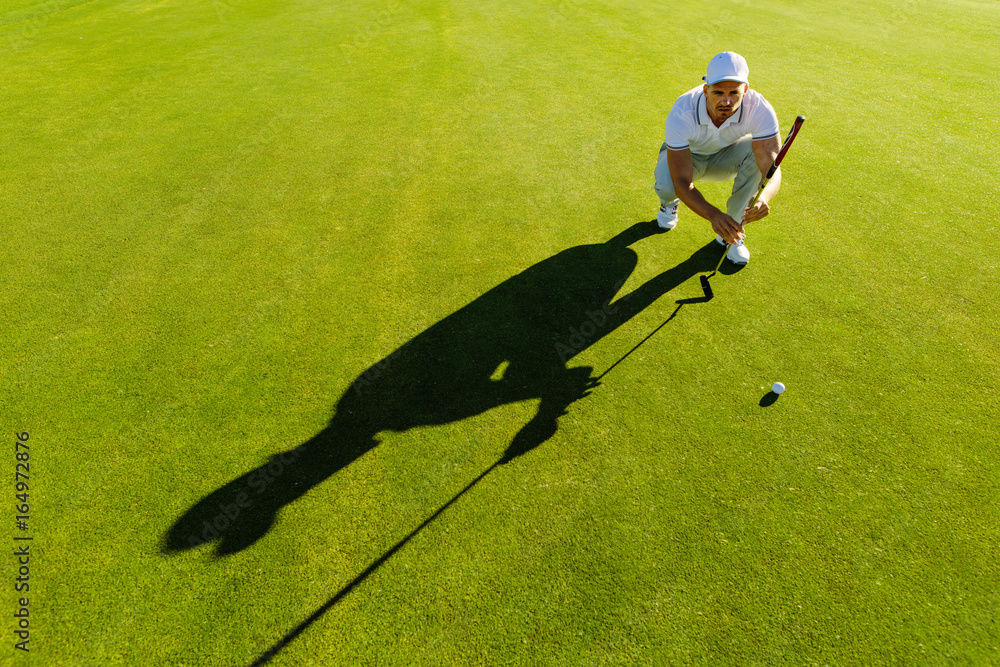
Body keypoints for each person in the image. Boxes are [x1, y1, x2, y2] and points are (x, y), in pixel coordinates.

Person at [653, 51, 783, 265]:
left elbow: (771, 167)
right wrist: (713, 215)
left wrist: (765, 197)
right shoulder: (683, 110)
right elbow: (681, 181)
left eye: (734, 92)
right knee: (668, 183)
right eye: (718, 92)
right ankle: (669, 203)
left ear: (746, 90)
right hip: (688, 158)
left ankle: (732, 233)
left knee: (758, 157)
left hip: (727, 157)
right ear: (706, 90)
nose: (726, 100)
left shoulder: (760, 108)